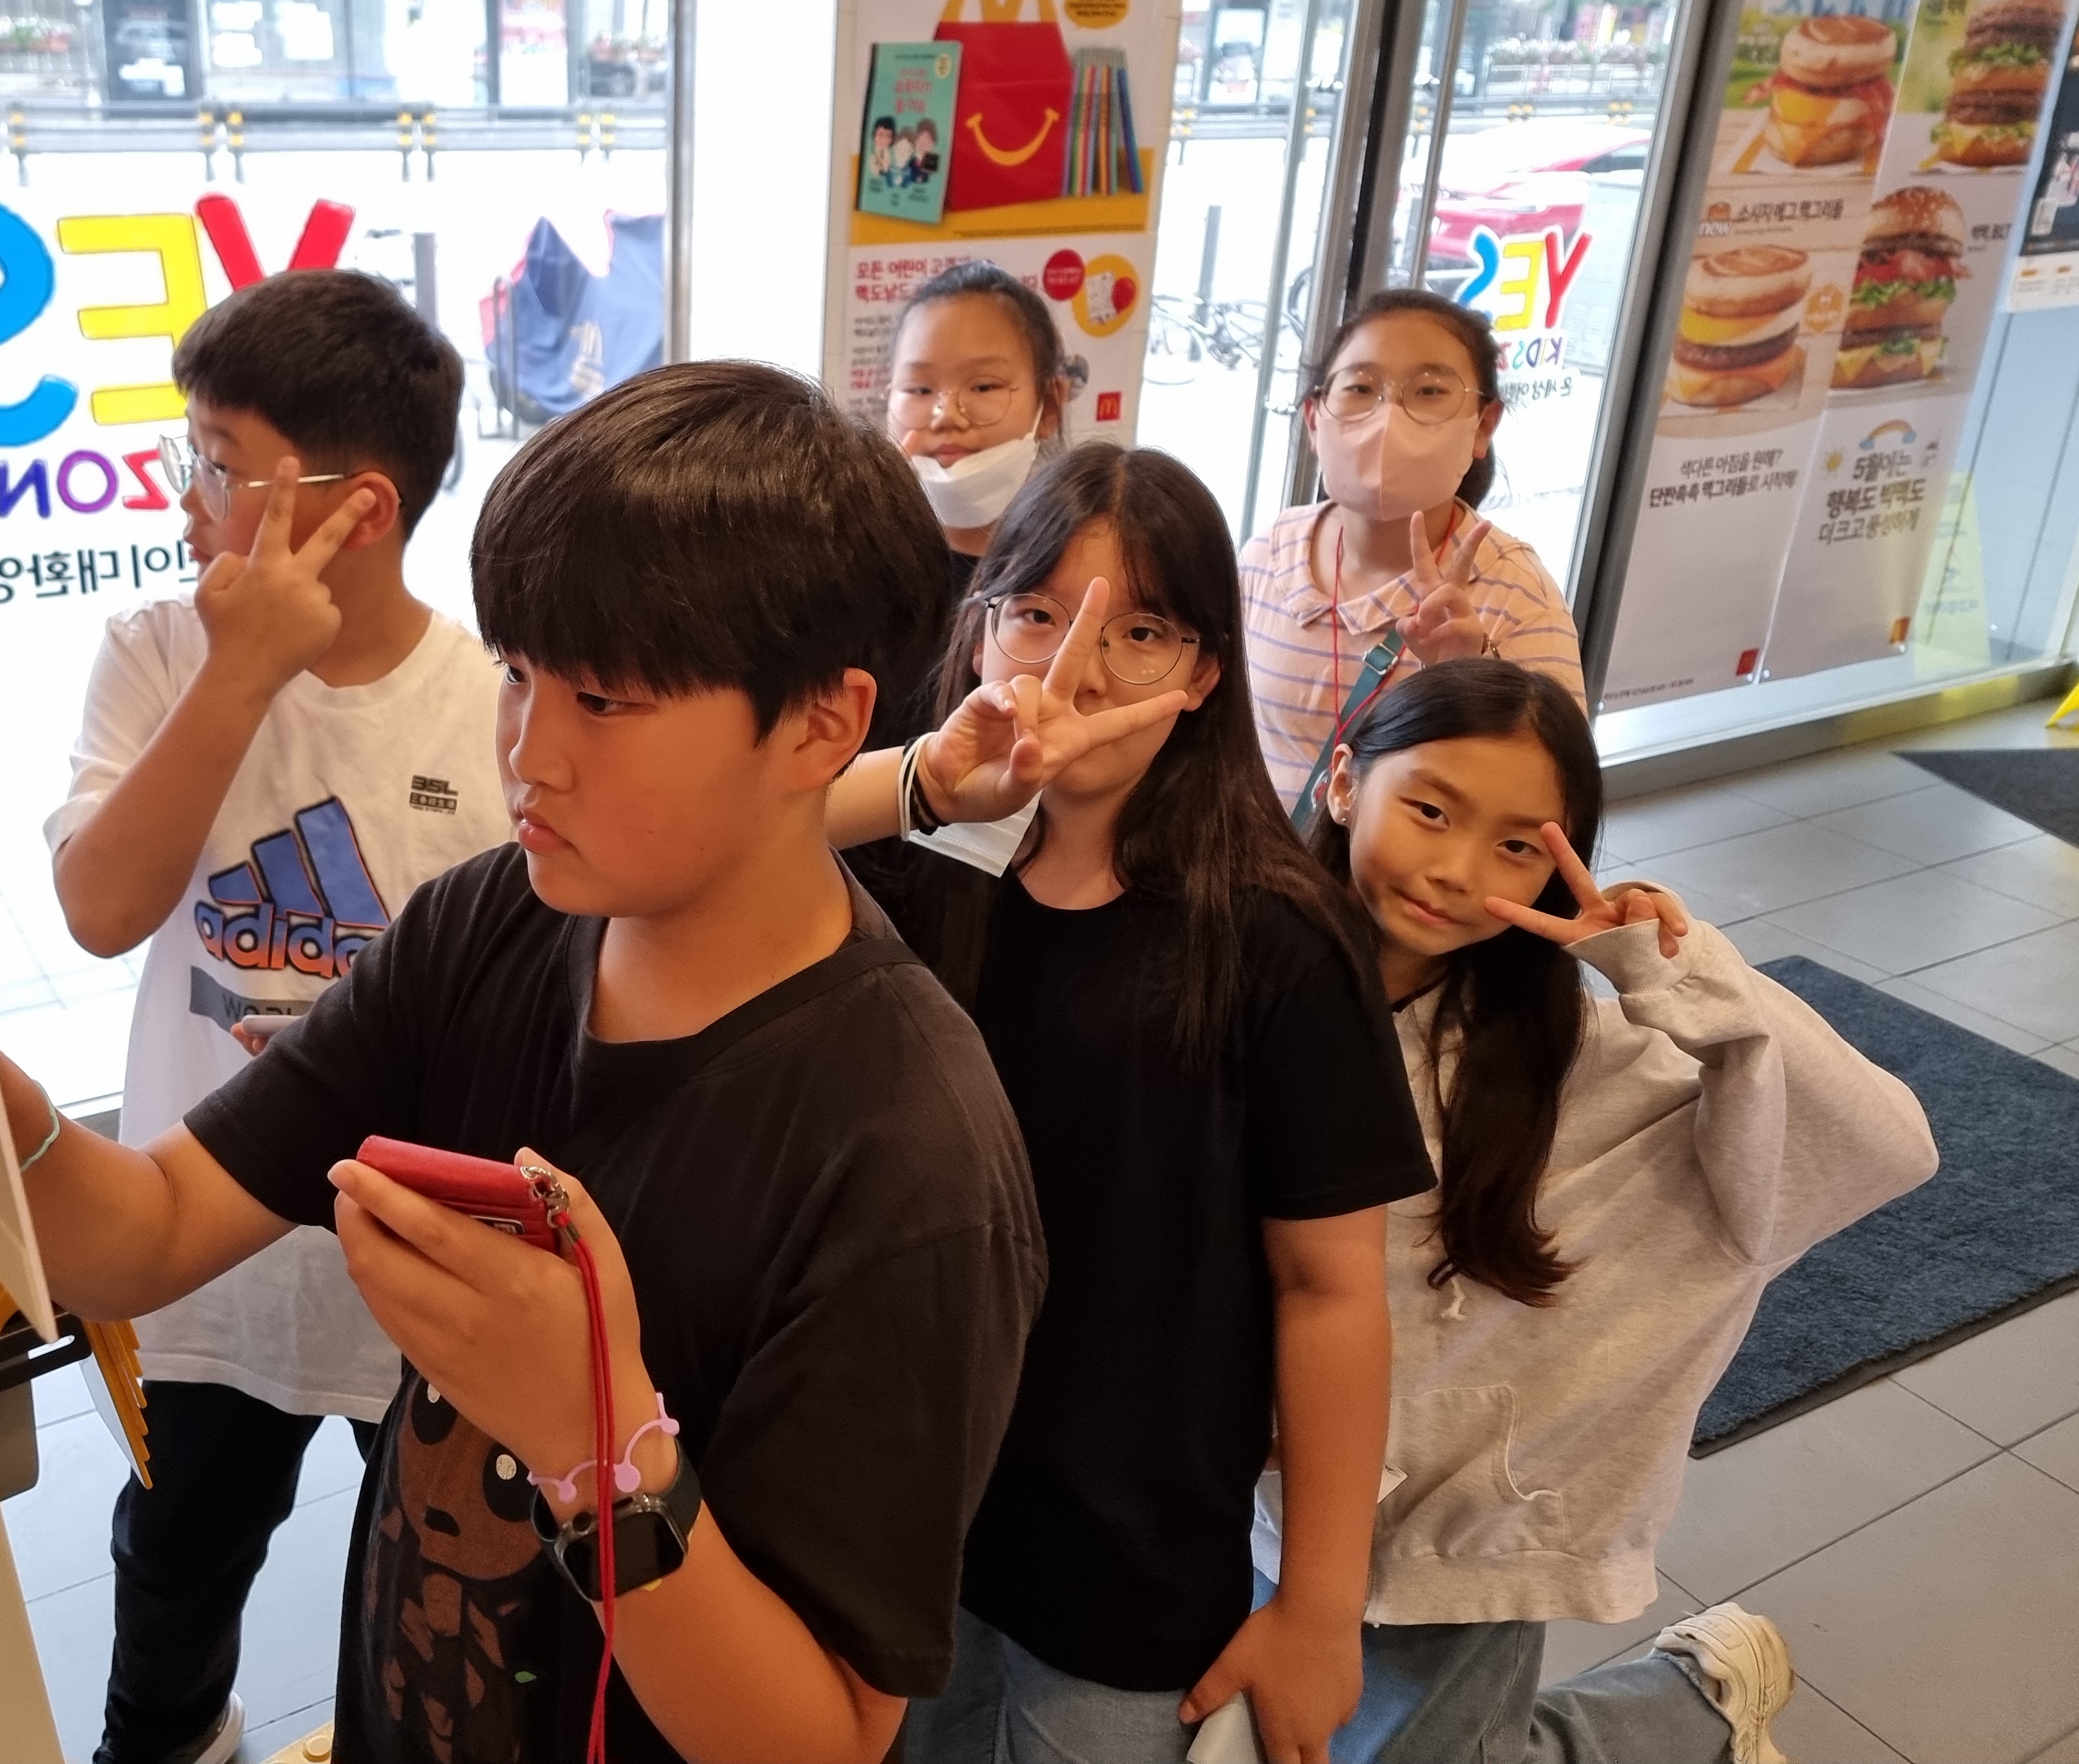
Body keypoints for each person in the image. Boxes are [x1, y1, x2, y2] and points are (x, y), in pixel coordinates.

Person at [0, 361, 1049, 1764]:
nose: (526, 753)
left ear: (820, 722)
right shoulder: (485, 923)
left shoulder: (908, 1156)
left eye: (601, 700)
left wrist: (592, 1443)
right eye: (515, 672)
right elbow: (153, 1231)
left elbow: (818, 1740)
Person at [827, 443, 1437, 1764]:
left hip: (1130, 1551)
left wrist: (1318, 1608)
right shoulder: (923, 868)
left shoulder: (1275, 937)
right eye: (1035, 614)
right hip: (905, 1512)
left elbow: (1331, 1290)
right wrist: (931, 779)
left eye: (1140, 631)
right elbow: (730, 839)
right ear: (977, 629)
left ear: (1206, 671)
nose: (1077, 671)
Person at [1278, 656, 1937, 1764]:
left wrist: (1681, 974)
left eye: (1518, 846)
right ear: (1345, 781)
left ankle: (1701, 1699)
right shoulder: (1239, 978)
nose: (1455, 871)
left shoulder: (1571, 1060)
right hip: (1258, 1488)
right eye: (1431, 810)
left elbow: (1880, 1147)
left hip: (1460, 1518)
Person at [47, 269, 512, 1764]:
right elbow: (101, 907)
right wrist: (241, 673)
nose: (185, 500)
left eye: (217, 465)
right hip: (196, 1244)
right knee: (175, 1560)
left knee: (417, 1584)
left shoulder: (487, 705)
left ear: (353, 509)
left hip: (412, 1272)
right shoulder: (156, 653)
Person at [1238, 289, 1583, 818]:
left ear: (1483, 425)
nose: (1388, 417)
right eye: (1361, 387)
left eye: (1428, 391)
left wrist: (1470, 679)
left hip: (1401, 874)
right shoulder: (1269, 553)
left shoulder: (1518, 594)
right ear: (1313, 419)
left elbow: (1558, 798)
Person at [870, 260, 1071, 749]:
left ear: (1051, 404)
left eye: (983, 387)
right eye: (919, 390)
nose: (947, 416)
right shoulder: (854, 564)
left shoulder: (1075, 569)